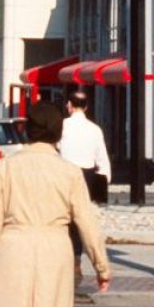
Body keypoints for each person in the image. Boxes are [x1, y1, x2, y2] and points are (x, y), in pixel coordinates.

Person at [0, 101, 110, 307]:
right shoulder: (70, 172)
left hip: (13, 246)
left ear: (27, 130)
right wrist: (101, 266)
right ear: (58, 133)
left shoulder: (4, 168)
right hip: (55, 247)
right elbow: (86, 221)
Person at [58, 91, 112, 284]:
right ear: (87, 107)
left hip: (64, 173)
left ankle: (64, 259)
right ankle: (76, 261)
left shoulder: (62, 126)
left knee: (64, 218)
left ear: (69, 105)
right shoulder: (95, 129)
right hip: (86, 176)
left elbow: (55, 149)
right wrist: (103, 183)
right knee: (81, 220)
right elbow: (102, 160)